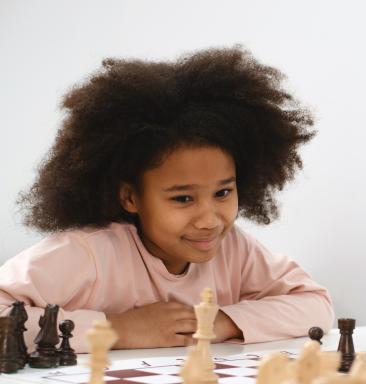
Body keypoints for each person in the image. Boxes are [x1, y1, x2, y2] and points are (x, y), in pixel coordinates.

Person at [0, 46, 334, 353]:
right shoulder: (87, 254)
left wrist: (222, 321)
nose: (209, 219)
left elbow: (316, 304)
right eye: (183, 198)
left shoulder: (234, 249)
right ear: (131, 197)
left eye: (223, 192)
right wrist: (116, 329)